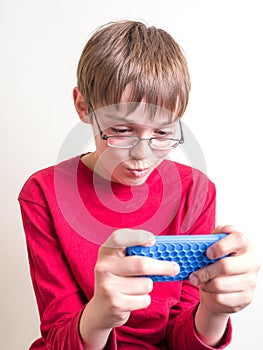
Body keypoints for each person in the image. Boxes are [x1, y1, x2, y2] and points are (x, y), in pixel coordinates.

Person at [18, 20, 259, 350]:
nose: (142, 155)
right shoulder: (43, 193)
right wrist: (100, 314)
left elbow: (181, 335)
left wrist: (214, 311)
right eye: (121, 131)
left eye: (162, 133)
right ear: (84, 107)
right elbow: (59, 336)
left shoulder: (194, 191)